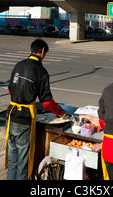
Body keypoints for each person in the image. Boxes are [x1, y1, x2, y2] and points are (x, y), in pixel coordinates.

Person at [5, 38, 67, 180]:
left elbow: (10, 89)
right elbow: (46, 102)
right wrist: (61, 112)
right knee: (23, 161)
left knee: (12, 159)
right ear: (43, 51)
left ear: (31, 50)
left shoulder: (19, 65)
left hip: (10, 115)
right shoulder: (41, 71)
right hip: (24, 120)